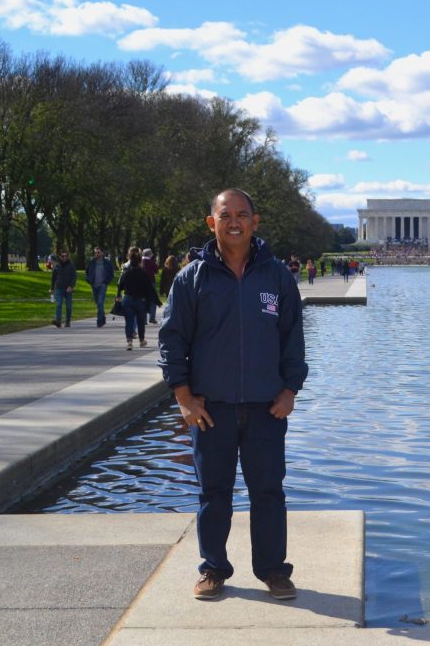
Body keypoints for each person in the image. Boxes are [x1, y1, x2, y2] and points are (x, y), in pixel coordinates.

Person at [158, 188, 307, 602]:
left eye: (243, 215)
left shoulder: (277, 276)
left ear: (255, 222)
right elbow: (172, 341)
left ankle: (273, 570)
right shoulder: (192, 278)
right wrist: (184, 398)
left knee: (269, 493)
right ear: (212, 223)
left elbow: (293, 339)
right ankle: (213, 569)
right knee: (213, 494)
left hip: (266, 406)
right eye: (226, 215)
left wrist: (290, 390)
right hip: (212, 408)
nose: (235, 222)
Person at [117, 247, 159, 350]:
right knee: (140, 322)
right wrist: (157, 301)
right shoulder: (143, 274)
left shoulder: (126, 273)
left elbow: (120, 286)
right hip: (140, 300)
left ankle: (129, 341)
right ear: (140, 262)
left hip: (127, 299)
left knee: (129, 322)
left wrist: (118, 295)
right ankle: (141, 341)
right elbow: (149, 288)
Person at [84, 247, 116, 328]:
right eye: (95, 252)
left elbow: (111, 274)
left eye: (98, 252)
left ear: (102, 253)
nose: (97, 254)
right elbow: (86, 273)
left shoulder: (107, 263)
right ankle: (103, 318)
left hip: (103, 285)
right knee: (98, 303)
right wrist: (89, 280)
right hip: (94, 285)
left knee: (100, 302)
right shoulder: (91, 262)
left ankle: (99, 321)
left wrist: (106, 282)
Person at [50, 250, 77, 328]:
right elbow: (53, 277)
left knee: (68, 306)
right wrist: (52, 288)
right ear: (60, 257)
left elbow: (74, 277)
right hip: (59, 288)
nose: (64, 257)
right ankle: (58, 321)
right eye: (63, 256)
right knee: (58, 304)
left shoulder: (71, 265)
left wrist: (71, 286)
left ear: (68, 256)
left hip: (68, 288)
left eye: (66, 256)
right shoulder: (57, 266)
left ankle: (68, 321)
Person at [141, 249, 160, 323]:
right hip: (151, 282)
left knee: (143, 299)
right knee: (153, 299)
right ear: (149, 254)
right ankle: (152, 318)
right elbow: (156, 271)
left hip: (142, 282)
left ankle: (144, 319)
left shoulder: (140, 261)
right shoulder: (151, 261)